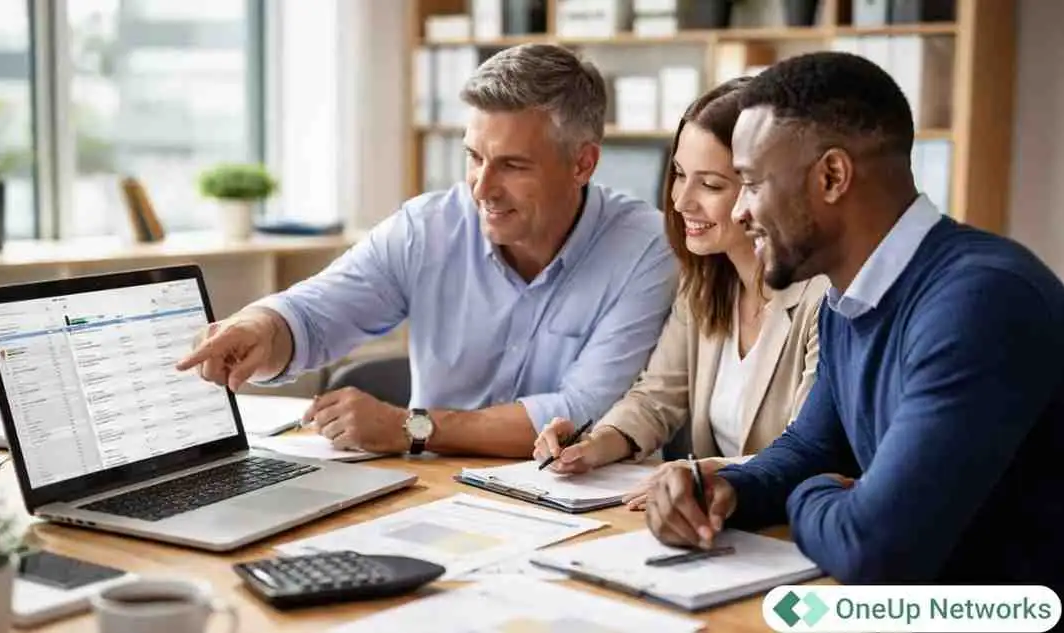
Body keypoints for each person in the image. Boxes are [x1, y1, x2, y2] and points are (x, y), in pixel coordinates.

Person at [645, 50, 1064, 588]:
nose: (742, 212)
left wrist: (810, 493)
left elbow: (874, 549)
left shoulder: (980, 302)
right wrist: (727, 490)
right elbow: (811, 449)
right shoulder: (849, 300)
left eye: (751, 183)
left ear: (832, 176)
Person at [176, 43, 678, 459]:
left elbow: (584, 412)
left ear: (582, 164)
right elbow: (315, 314)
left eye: (513, 165)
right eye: (474, 157)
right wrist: (261, 328)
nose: (482, 188)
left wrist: (411, 428)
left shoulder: (646, 248)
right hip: (434, 494)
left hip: (581, 505)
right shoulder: (428, 227)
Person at [532, 78, 828, 507]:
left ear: (765, 189)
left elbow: (810, 451)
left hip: (783, 521)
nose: (681, 201)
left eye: (711, 185)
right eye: (680, 175)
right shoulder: (704, 281)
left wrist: (703, 474)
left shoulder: (823, 299)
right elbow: (656, 397)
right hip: (713, 520)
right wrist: (594, 445)